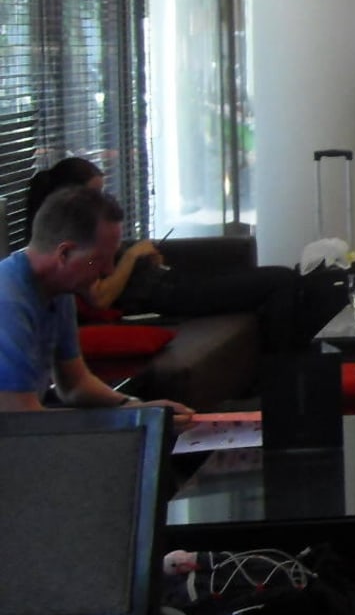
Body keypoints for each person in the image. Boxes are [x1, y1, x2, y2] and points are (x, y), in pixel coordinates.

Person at [20, 157, 334, 351]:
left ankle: (291, 367)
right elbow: (100, 296)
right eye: (95, 193)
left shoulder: (85, 237)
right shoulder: (70, 251)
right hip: (164, 297)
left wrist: (141, 258)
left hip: (169, 283)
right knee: (281, 280)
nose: (102, 200)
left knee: (291, 285)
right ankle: (285, 372)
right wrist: (131, 257)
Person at [1, 185, 191, 423]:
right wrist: (131, 422)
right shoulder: (8, 303)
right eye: (99, 260)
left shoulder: (59, 292)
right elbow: (21, 421)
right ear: (64, 253)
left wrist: (136, 408)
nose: (109, 270)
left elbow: (75, 384)